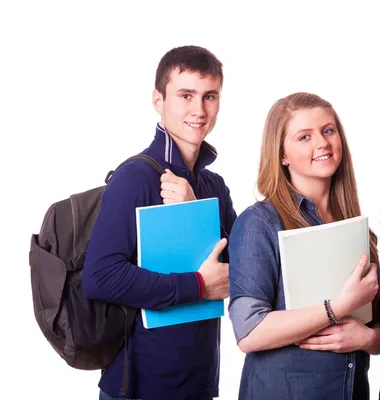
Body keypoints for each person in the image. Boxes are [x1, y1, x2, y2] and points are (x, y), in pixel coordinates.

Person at [82, 45, 236, 400]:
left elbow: (244, 264)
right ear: (158, 100)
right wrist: (198, 285)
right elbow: (100, 277)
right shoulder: (134, 177)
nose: (199, 110)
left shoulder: (213, 186)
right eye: (186, 95)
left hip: (200, 381)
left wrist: (195, 210)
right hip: (138, 385)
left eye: (209, 96)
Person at [228, 92, 380, 400]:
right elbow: (249, 332)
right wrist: (338, 307)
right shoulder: (260, 223)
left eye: (328, 130)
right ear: (282, 155)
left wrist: (366, 338)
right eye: (304, 136)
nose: (322, 143)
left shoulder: (356, 228)